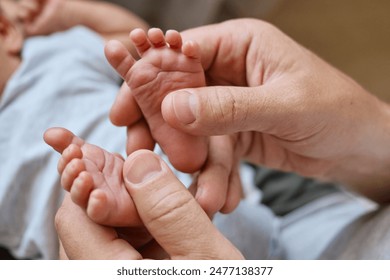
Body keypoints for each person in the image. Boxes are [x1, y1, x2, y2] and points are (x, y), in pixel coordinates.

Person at [53, 18, 390, 259]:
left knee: (208, 223)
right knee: (221, 222)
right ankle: (147, 218)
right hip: (326, 227)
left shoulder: (52, 49)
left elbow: (118, 33)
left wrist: (67, 13)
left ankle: (152, 215)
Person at [0, 0, 148, 259]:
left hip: (172, 173)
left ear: (4, 33)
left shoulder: (55, 53)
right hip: (95, 248)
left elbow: (136, 43)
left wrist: (66, 11)